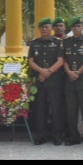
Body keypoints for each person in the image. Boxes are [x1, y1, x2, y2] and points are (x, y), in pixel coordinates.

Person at [28, 17, 65, 145]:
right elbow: (31, 61)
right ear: (39, 29)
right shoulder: (34, 44)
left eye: (47, 27)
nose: (44, 29)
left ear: (51, 28)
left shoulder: (58, 42)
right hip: (40, 81)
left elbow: (60, 61)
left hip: (54, 81)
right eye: (42, 27)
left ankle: (57, 135)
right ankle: (41, 135)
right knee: (40, 109)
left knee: (56, 109)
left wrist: (47, 72)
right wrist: (41, 72)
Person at [62, 16, 83, 147]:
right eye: (74, 26)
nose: (76, 28)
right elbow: (63, 60)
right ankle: (73, 137)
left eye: (79, 26)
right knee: (71, 110)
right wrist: (70, 72)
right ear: (71, 28)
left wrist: (78, 73)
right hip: (70, 80)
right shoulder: (66, 42)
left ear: (82, 27)